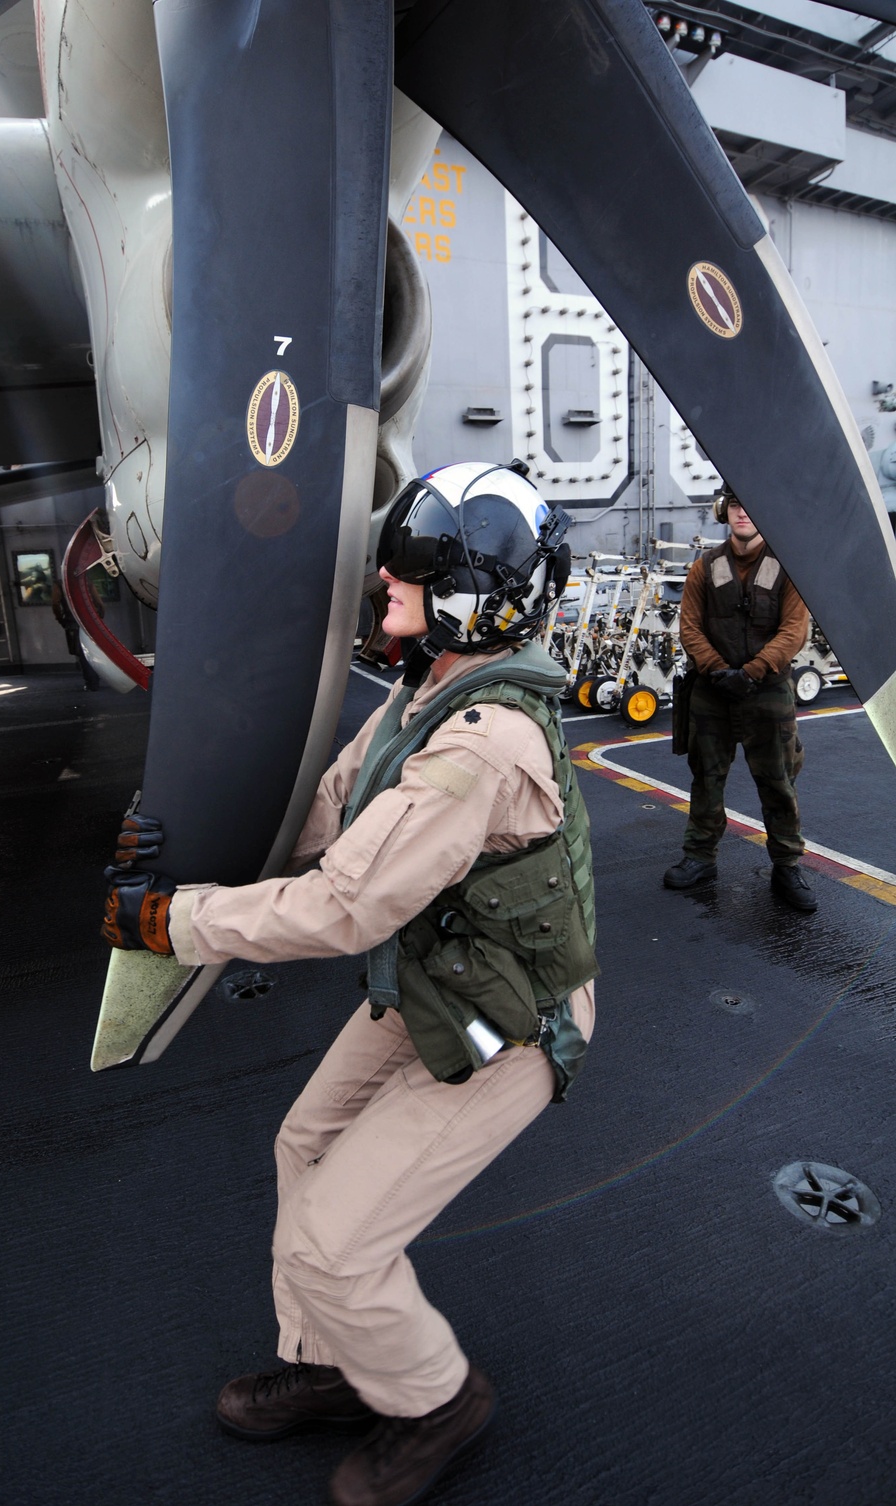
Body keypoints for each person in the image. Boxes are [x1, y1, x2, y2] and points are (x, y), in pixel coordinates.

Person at [101, 461, 598, 1506]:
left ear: (468, 595)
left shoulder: (482, 743)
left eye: (409, 572)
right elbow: (335, 807)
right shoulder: (431, 692)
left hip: (508, 1023)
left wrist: (173, 921)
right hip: (439, 982)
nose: (383, 578)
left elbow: (344, 905)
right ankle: (336, 1362)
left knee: (336, 1242)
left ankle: (434, 1398)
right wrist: (188, 848)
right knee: (305, 1145)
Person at [663, 484, 815, 911]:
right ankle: (700, 858)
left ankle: (787, 867)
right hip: (713, 693)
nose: (742, 512)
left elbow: (793, 632)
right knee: (706, 779)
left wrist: (750, 673)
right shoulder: (704, 568)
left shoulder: (786, 568)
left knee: (778, 783)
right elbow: (689, 627)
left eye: (750, 504)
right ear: (722, 510)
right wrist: (718, 670)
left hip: (767, 693)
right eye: (733, 504)